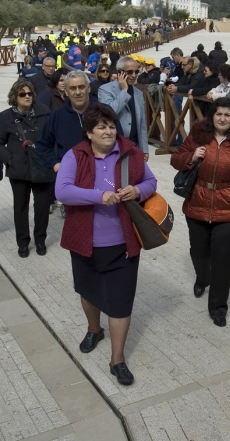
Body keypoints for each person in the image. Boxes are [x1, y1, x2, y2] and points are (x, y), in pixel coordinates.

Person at [55, 103, 156, 385]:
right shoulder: (76, 156)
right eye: (101, 127)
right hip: (84, 241)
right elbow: (61, 191)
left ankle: (118, 359)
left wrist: (137, 190)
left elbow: (151, 181)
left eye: (111, 126)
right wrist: (99, 196)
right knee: (87, 291)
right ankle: (93, 329)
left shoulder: (130, 153)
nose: (108, 131)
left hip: (123, 243)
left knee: (121, 302)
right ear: (88, 132)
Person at [170, 98, 230, 327]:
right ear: (212, 115)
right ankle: (203, 277)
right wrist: (191, 157)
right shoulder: (199, 134)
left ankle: (219, 307)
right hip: (197, 202)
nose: (222, 118)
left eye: (227, 115)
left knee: (223, 258)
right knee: (199, 252)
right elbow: (176, 158)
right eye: (219, 114)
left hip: (229, 207)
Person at [0, 80, 53, 257]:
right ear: (15, 97)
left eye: (29, 93)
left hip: (42, 167)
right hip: (19, 169)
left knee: (43, 206)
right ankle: (23, 242)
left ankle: (40, 240)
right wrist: (9, 160)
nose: (27, 96)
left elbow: (53, 136)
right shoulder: (5, 117)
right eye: (23, 94)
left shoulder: (44, 112)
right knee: (20, 207)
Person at [36, 71, 93, 172]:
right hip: (70, 175)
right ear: (66, 92)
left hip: (100, 174)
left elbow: (119, 141)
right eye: (72, 88)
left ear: (88, 88)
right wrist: (55, 164)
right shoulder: (57, 116)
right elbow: (43, 145)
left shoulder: (103, 112)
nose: (78, 92)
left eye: (81, 87)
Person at [98, 56, 149, 161]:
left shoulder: (138, 93)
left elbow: (142, 123)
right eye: (130, 72)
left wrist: (144, 149)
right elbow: (110, 112)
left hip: (134, 147)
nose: (134, 75)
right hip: (114, 146)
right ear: (119, 72)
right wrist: (124, 91)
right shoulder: (105, 90)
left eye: (136, 71)